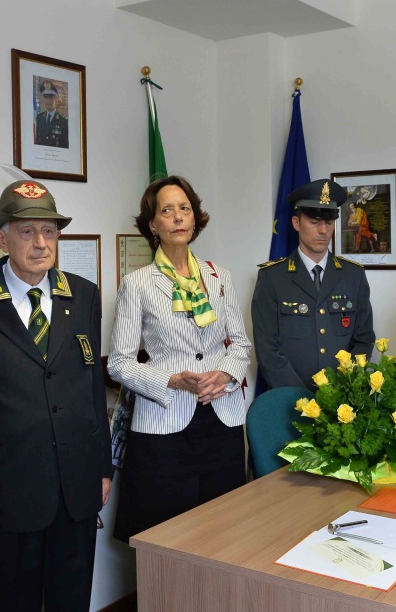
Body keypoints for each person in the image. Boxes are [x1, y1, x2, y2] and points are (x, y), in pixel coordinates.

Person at [0, 179, 111, 612]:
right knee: (15, 601)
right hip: (6, 487)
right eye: (27, 231)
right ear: (1, 239)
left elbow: (91, 388)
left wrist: (102, 466)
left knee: (72, 599)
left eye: (49, 231)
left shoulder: (83, 294)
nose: (41, 243)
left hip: (76, 485)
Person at [108, 175, 250, 543]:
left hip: (222, 420)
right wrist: (171, 380)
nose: (178, 217)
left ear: (195, 218)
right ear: (153, 225)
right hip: (164, 424)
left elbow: (241, 345)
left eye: (184, 209)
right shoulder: (137, 283)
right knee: (166, 538)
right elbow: (119, 363)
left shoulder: (220, 277)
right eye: (167, 210)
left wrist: (226, 376)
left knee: (223, 532)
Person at [252, 179, 374, 391]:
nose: (323, 230)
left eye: (329, 222)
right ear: (296, 223)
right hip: (291, 399)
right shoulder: (272, 277)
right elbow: (267, 349)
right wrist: (300, 398)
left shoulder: (354, 276)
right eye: (315, 222)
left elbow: (363, 340)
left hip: (342, 398)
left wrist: (341, 392)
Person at [34, 84, 69, 148]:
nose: (48, 101)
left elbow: (65, 145)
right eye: (46, 97)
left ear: (55, 99)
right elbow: (37, 141)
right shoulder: (39, 118)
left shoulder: (63, 121)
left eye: (50, 97)